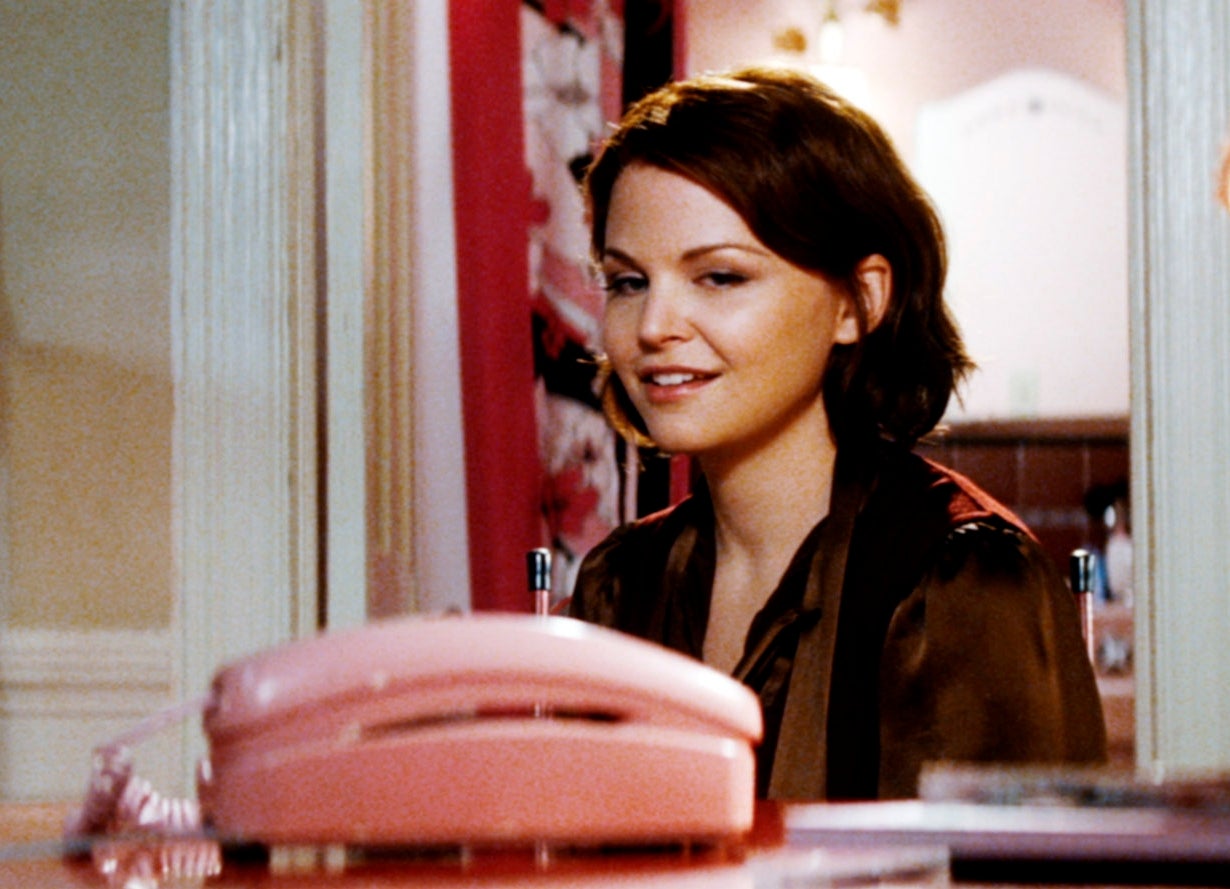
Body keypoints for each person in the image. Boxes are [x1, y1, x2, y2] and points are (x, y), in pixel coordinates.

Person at [568, 66, 1107, 800]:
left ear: (859, 301)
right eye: (629, 282)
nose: (655, 326)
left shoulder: (962, 584)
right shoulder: (620, 583)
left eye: (720, 277)